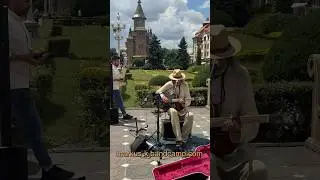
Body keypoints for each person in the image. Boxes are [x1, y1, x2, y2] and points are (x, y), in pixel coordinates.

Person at [8, 0, 74, 179]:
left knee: (32, 128)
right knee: (33, 127)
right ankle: (47, 168)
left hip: (22, 82)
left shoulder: (18, 22)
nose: (29, 4)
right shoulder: (6, 21)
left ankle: (47, 168)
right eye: (25, 1)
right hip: (13, 84)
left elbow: (18, 51)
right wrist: (24, 58)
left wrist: (32, 55)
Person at [210, 25, 268, 180]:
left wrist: (238, 131)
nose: (217, 63)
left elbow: (252, 119)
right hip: (207, 152)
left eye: (221, 57)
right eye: (213, 57)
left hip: (235, 153)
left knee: (258, 171)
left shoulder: (241, 75)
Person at [156, 69, 193, 148]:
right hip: (171, 108)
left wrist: (184, 104)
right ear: (172, 79)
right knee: (173, 111)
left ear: (182, 79)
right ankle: (178, 139)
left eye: (178, 80)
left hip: (182, 108)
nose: (176, 82)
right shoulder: (169, 84)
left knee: (190, 115)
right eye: (174, 80)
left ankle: (183, 138)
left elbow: (188, 99)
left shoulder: (185, 85)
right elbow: (158, 91)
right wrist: (162, 95)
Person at [111, 55, 133, 120]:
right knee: (119, 101)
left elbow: (118, 77)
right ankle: (124, 114)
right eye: (117, 61)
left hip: (116, 87)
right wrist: (119, 79)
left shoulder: (115, 68)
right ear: (113, 61)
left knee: (116, 102)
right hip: (114, 88)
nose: (118, 62)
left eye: (119, 61)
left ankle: (119, 114)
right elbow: (113, 78)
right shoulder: (112, 68)